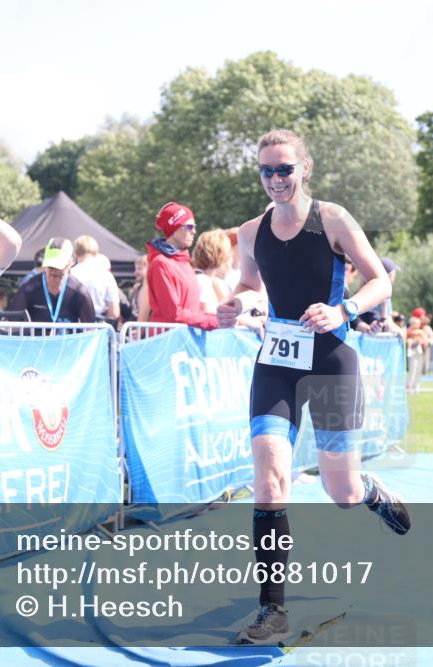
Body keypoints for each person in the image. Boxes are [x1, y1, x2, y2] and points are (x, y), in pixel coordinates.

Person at [216, 128, 410, 644]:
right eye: (266, 170)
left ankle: (368, 491)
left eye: (284, 169)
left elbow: (380, 281)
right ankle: (272, 610)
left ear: (305, 168)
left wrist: (342, 309)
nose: (275, 179)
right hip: (277, 361)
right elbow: (251, 286)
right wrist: (236, 303)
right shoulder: (250, 232)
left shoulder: (333, 219)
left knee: (339, 492)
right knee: (270, 480)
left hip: (330, 359)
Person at [145, 202, 219, 330]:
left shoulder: (185, 262)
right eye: (189, 227)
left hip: (183, 339)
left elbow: (194, 309)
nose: (194, 231)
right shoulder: (160, 263)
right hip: (167, 342)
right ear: (173, 229)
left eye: (194, 227)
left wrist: (221, 318)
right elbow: (174, 315)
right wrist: (214, 322)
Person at [10, 237, 95, 325]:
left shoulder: (79, 292)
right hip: (36, 338)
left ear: (70, 263)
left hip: (68, 338)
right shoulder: (29, 289)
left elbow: (91, 330)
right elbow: (13, 324)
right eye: (51, 266)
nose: (55, 271)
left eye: (59, 266)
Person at [70, 235, 120, 322]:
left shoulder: (70, 274)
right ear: (96, 253)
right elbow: (114, 312)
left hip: (74, 326)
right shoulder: (106, 275)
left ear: (76, 253)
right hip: (98, 327)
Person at [191, 229, 233, 314]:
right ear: (221, 254)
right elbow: (207, 313)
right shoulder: (202, 280)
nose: (231, 258)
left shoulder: (204, 279)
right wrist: (242, 320)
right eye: (229, 252)